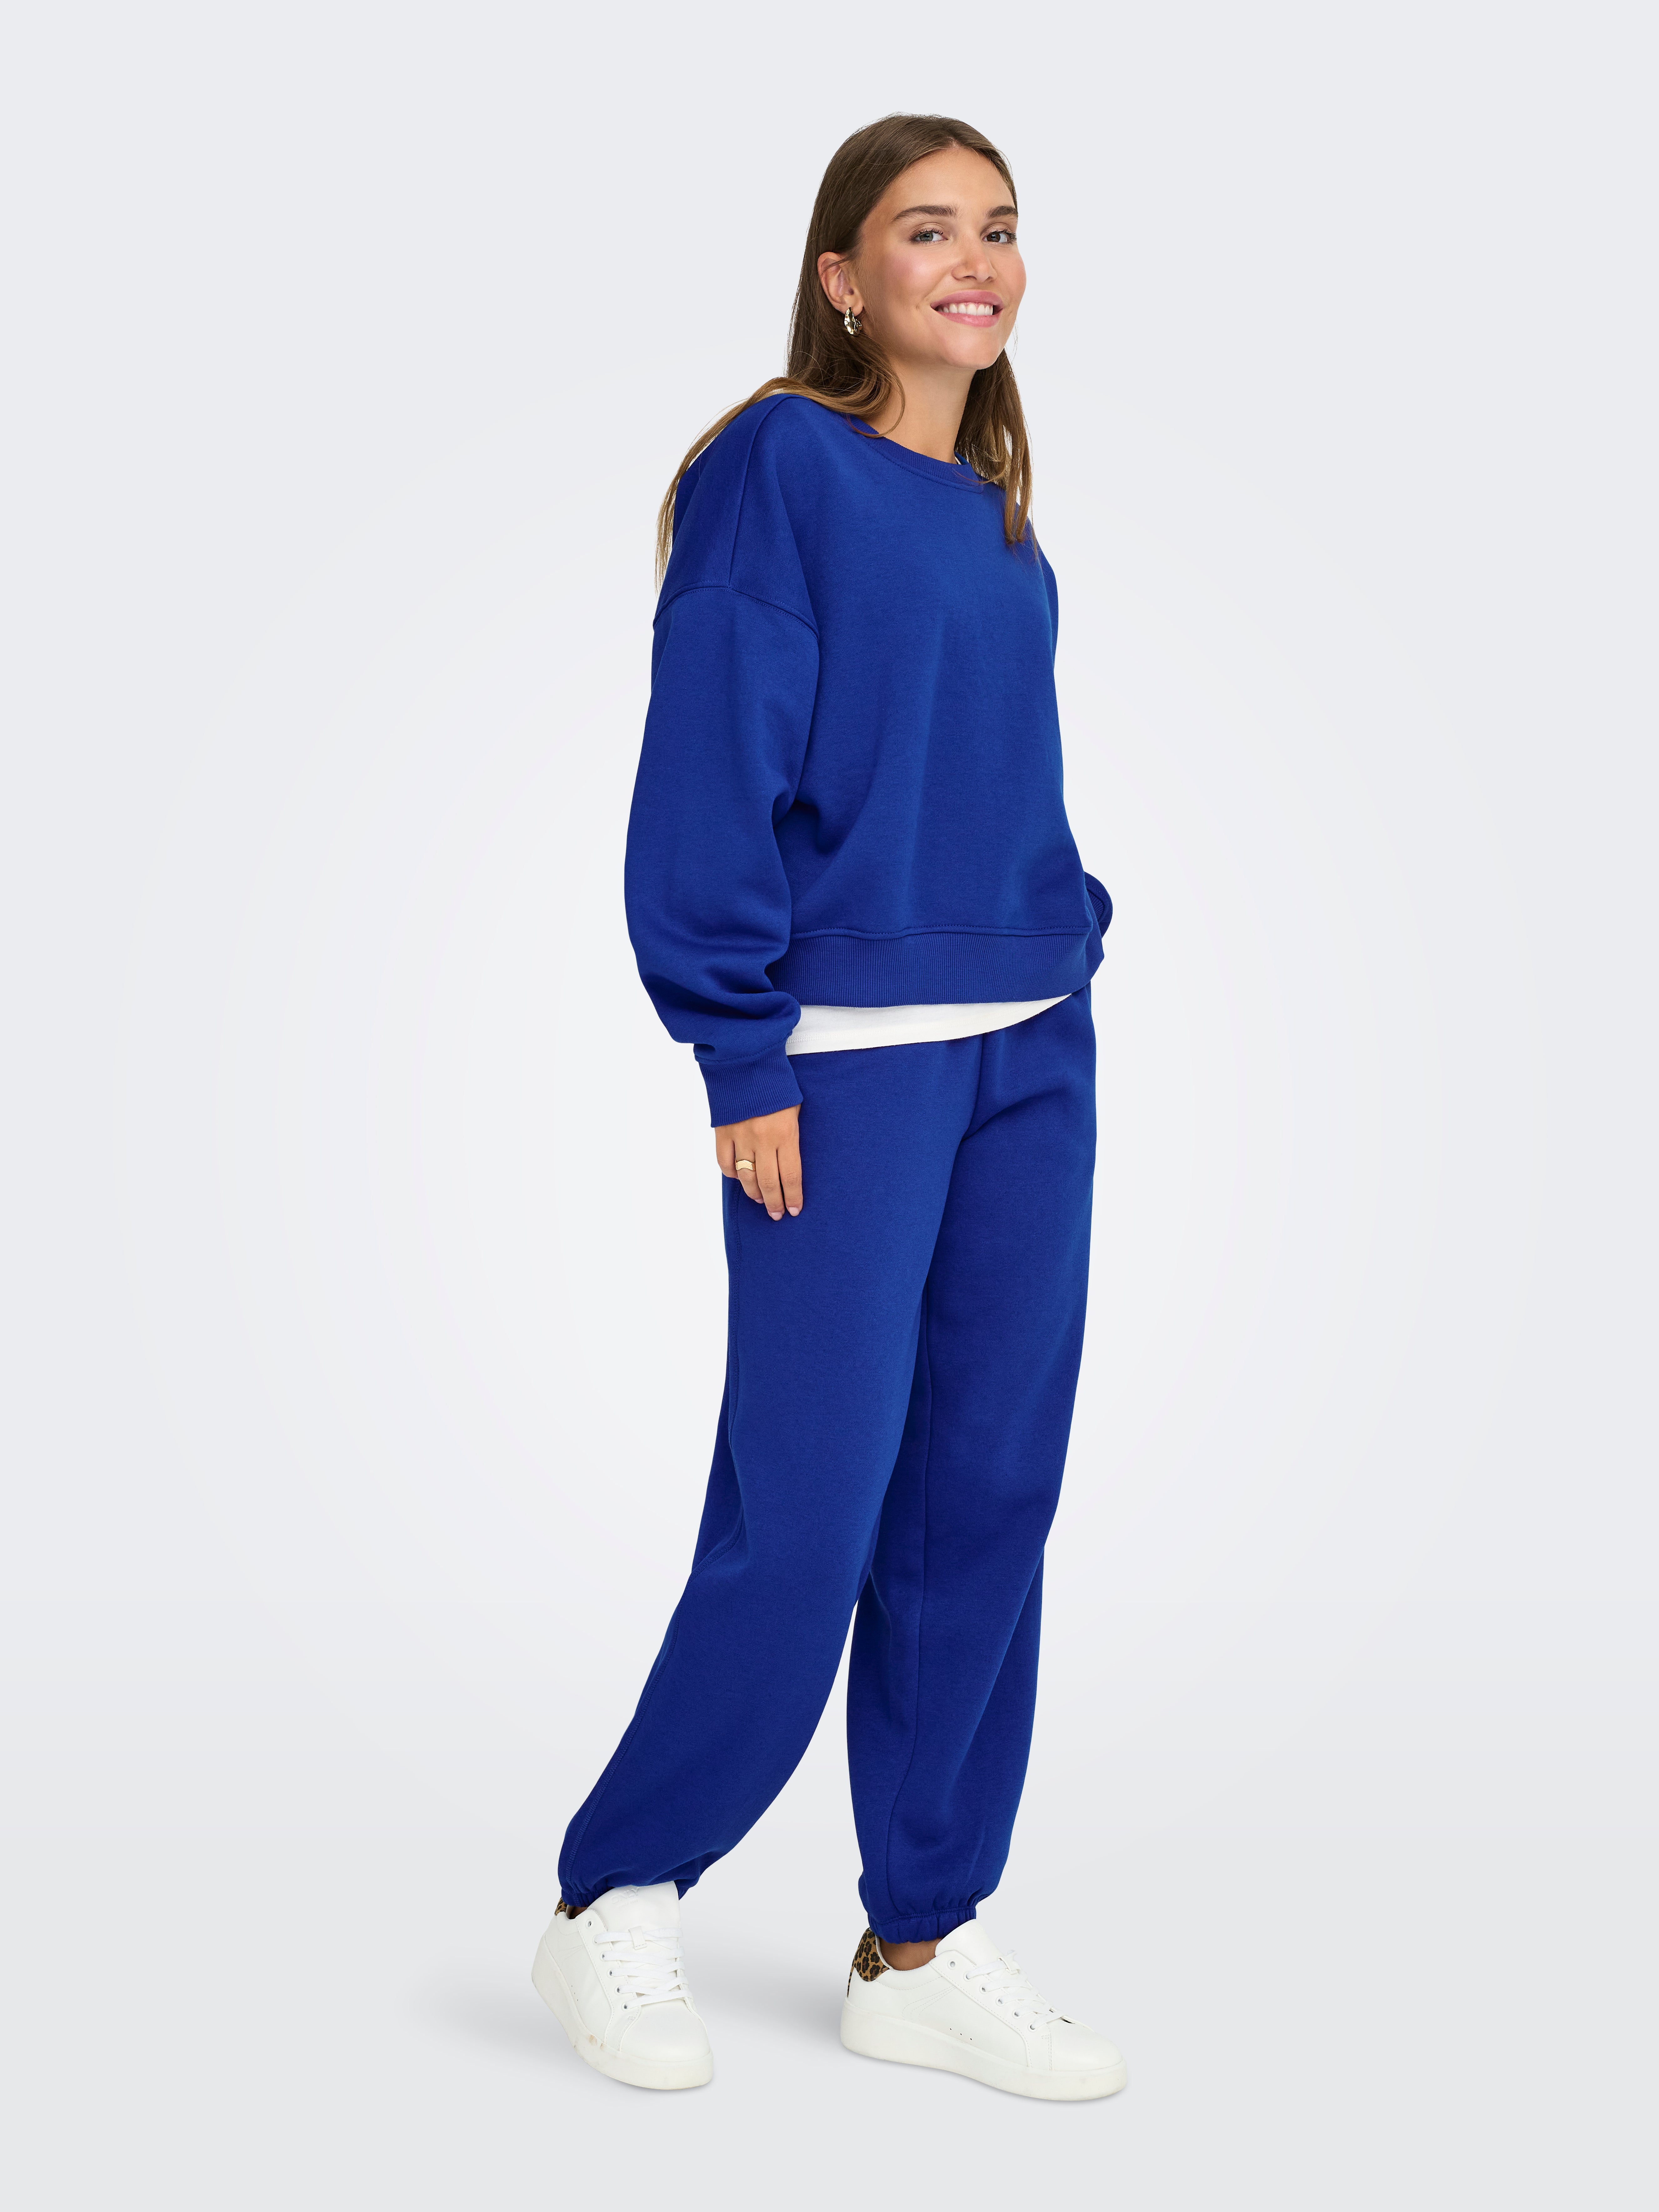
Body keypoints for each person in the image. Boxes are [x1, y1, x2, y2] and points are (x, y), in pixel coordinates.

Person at [532, 113, 1125, 2102]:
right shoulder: (779, 466)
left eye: (1001, 228)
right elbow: (714, 751)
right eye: (927, 229)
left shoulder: (997, 511)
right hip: (846, 1068)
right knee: (809, 1510)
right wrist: (741, 1047)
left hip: (1033, 1048)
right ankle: (618, 1892)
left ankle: (919, 1939)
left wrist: (1062, 939)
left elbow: (982, 772)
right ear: (844, 278)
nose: (978, 260)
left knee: (986, 1496)